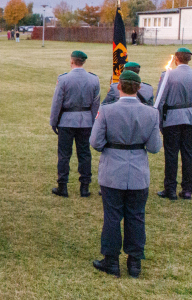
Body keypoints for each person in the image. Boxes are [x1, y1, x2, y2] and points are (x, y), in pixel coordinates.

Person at [89, 70, 162, 278]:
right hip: (138, 171)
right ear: (139, 89)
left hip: (113, 170)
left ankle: (111, 261)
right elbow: (155, 147)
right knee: (136, 216)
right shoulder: (151, 113)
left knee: (112, 217)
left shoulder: (106, 111)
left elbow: (95, 142)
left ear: (118, 87)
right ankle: (134, 263)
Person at [155, 48, 192, 200]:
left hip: (172, 119)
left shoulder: (168, 75)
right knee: (188, 154)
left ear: (176, 59)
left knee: (171, 154)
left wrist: (160, 122)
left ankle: (170, 189)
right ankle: (187, 190)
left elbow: (160, 101)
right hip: (191, 119)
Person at [49, 51, 100, 198]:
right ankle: (84, 187)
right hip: (86, 121)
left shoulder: (64, 79)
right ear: (83, 62)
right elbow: (96, 104)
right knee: (84, 154)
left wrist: (54, 121)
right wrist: (94, 122)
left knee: (64, 154)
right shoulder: (93, 79)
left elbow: (57, 103)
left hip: (66, 121)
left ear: (72, 61)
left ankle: (62, 186)